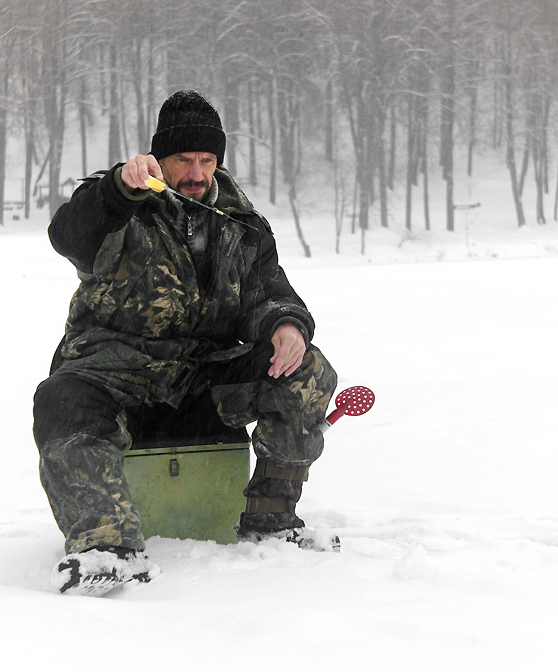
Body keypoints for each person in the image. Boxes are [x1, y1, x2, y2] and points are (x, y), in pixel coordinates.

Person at [32, 89, 338, 596]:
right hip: (115, 375)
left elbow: (269, 291)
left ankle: (271, 519)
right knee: (58, 397)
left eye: (207, 160)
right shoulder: (121, 205)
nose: (196, 173)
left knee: (307, 369)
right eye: (183, 160)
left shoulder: (243, 225)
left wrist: (286, 326)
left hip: (202, 380)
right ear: (160, 159)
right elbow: (69, 235)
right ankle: (105, 546)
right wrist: (115, 191)